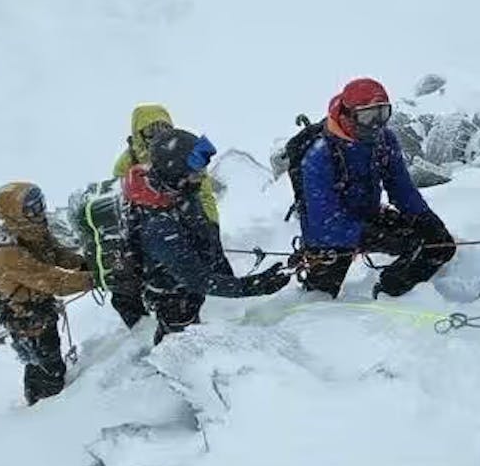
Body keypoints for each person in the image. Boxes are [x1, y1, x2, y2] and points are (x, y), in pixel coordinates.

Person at [125, 128, 292, 343]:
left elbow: (205, 235)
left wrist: (228, 275)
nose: (201, 176)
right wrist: (254, 286)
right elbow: (197, 279)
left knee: (192, 332)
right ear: (176, 171)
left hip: (190, 289)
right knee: (178, 340)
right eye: (194, 172)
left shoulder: (179, 192)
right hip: (173, 297)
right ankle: (169, 369)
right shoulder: (157, 222)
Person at [296, 78, 455, 298]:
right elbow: (324, 220)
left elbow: (401, 188)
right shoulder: (320, 154)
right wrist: (370, 235)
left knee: (439, 246)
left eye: (383, 113)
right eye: (368, 115)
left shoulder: (384, 140)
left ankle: (392, 290)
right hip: (329, 234)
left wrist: (424, 218)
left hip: (368, 216)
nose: (376, 124)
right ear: (347, 115)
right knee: (319, 297)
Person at [109, 103, 230, 328]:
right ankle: (142, 331)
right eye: (151, 129)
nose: (158, 133)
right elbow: (122, 198)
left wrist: (210, 224)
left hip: (178, 218)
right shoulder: (128, 162)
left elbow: (202, 193)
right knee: (166, 286)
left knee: (207, 255)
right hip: (147, 236)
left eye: (163, 126)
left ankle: (224, 301)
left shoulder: (182, 153)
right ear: (138, 132)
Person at [0, 182, 93, 405]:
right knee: (48, 369)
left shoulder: (34, 234)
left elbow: (60, 256)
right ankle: (42, 412)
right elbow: (52, 279)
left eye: (40, 204)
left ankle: (45, 404)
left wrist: (89, 264)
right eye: (31, 208)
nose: (39, 212)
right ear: (14, 213)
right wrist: (95, 278)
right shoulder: (7, 252)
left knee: (50, 361)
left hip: (41, 312)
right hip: (27, 320)